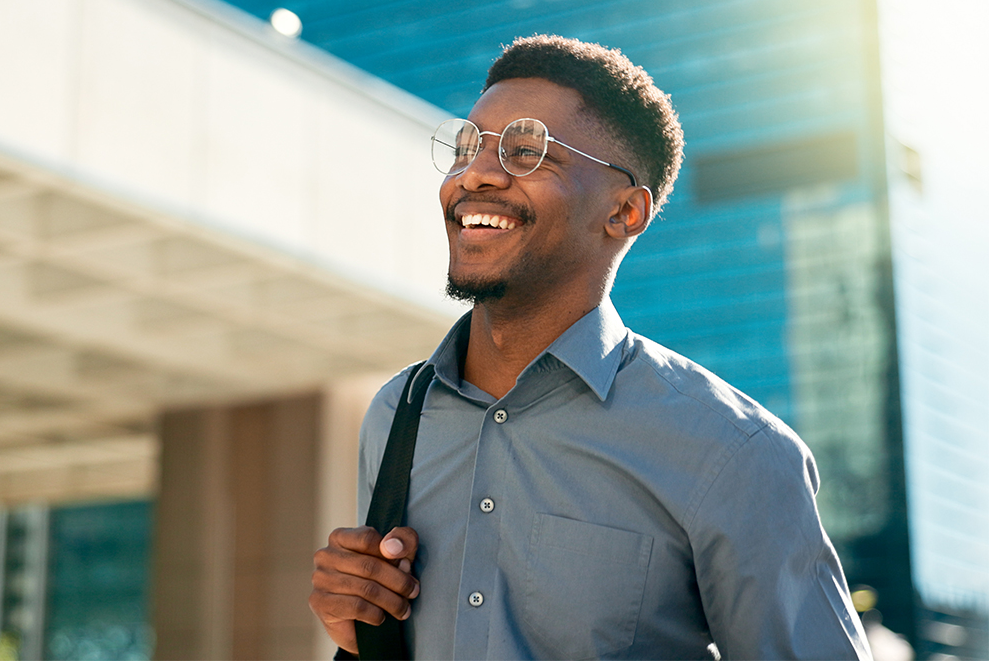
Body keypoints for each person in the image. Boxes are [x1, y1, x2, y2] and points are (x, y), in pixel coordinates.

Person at [309, 35, 871, 660]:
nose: (475, 175)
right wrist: (359, 628)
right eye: (468, 148)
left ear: (625, 212)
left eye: (527, 152)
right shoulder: (397, 412)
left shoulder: (737, 454)